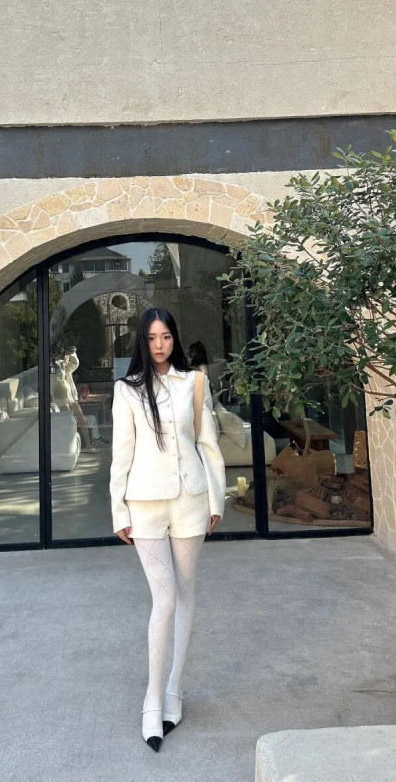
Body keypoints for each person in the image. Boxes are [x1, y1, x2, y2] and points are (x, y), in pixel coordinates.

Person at [109, 307, 226, 752]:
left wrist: (217, 499)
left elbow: (208, 444)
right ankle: (152, 699)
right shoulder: (126, 390)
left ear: (175, 339)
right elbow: (121, 454)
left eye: (166, 337)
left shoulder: (194, 383)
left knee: (186, 590)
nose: (159, 345)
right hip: (144, 505)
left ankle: (175, 687)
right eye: (152, 338)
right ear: (142, 341)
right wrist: (118, 511)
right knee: (164, 598)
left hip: (191, 500)